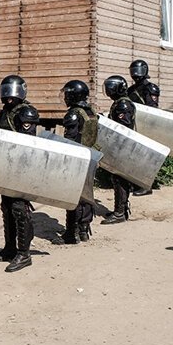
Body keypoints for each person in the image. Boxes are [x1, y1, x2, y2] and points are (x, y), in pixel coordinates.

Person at [0, 75, 37, 273]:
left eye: (12, 92)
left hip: (22, 167)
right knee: (6, 207)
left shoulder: (26, 112)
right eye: (5, 92)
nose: (8, 96)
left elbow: (27, 142)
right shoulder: (5, 112)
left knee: (19, 208)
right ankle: (10, 248)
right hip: (6, 166)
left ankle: (24, 253)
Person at [60, 80, 97, 243]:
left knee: (73, 195)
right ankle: (83, 230)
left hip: (77, 157)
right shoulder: (91, 112)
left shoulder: (74, 114)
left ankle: (71, 233)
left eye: (68, 93)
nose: (66, 97)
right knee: (87, 194)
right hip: (91, 156)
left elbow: (70, 139)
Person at [102, 75, 136, 225]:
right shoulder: (120, 103)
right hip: (120, 146)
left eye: (111, 87)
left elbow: (123, 128)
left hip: (123, 147)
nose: (108, 90)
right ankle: (120, 209)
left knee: (119, 178)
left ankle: (120, 212)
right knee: (117, 178)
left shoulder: (123, 105)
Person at [128, 59, 160, 196]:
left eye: (138, 71)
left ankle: (147, 185)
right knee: (134, 156)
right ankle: (136, 183)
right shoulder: (131, 90)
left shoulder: (150, 88)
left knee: (146, 157)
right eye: (133, 71)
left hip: (147, 125)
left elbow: (152, 109)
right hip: (134, 125)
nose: (136, 74)